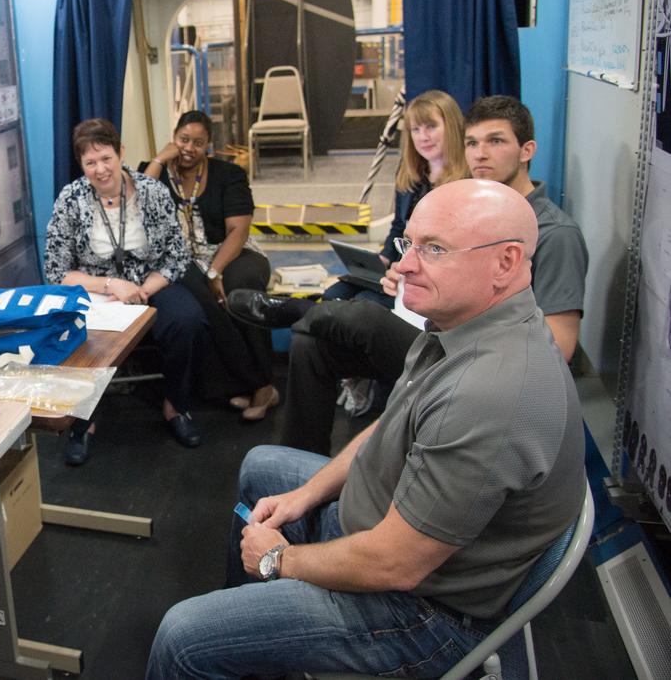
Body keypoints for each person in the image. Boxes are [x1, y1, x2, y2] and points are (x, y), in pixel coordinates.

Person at [147, 179, 586, 679]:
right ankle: (247, 647)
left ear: (505, 262)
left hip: (419, 612)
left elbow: (395, 565)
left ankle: (231, 641)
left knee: (183, 636)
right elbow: (389, 425)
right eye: (409, 244)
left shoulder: (490, 393)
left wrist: (278, 561)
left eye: (434, 249)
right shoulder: (459, 325)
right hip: (384, 529)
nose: (405, 265)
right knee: (263, 467)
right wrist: (304, 496)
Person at [231, 95, 588, 456]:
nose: (480, 154)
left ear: (527, 150)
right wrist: (406, 277)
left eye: (496, 141)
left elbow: (558, 347)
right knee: (311, 346)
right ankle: (300, 463)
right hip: (433, 334)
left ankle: (297, 310)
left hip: (476, 362)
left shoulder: (555, 234)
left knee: (367, 318)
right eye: (471, 143)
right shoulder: (467, 212)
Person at [44, 118, 207, 462]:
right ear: (81, 164)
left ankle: (176, 406)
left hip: (149, 281)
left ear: (121, 153)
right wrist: (110, 285)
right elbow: (57, 270)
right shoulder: (71, 199)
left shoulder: (152, 192)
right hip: (96, 287)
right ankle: (82, 422)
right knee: (73, 327)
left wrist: (144, 290)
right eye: (90, 162)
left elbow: (177, 255)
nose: (100, 169)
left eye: (106, 158)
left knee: (187, 319)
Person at [140, 110, 278, 421]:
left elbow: (238, 231)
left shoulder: (228, 174)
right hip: (181, 259)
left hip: (231, 251)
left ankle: (261, 384)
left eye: (198, 142)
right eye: (183, 139)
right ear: (173, 138)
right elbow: (138, 206)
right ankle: (256, 382)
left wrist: (216, 271)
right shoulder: (154, 171)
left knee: (241, 287)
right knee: (199, 291)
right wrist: (159, 159)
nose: (189, 148)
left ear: (208, 146)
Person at [321, 90, 468, 306]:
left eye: (431, 127)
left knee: (360, 304)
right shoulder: (409, 174)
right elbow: (399, 227)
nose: (423, 137)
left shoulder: (466, 183)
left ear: (452, 126)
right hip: (396, 268)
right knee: (333, 295)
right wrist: (384, 257)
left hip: (425, 276)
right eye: (415, 129)